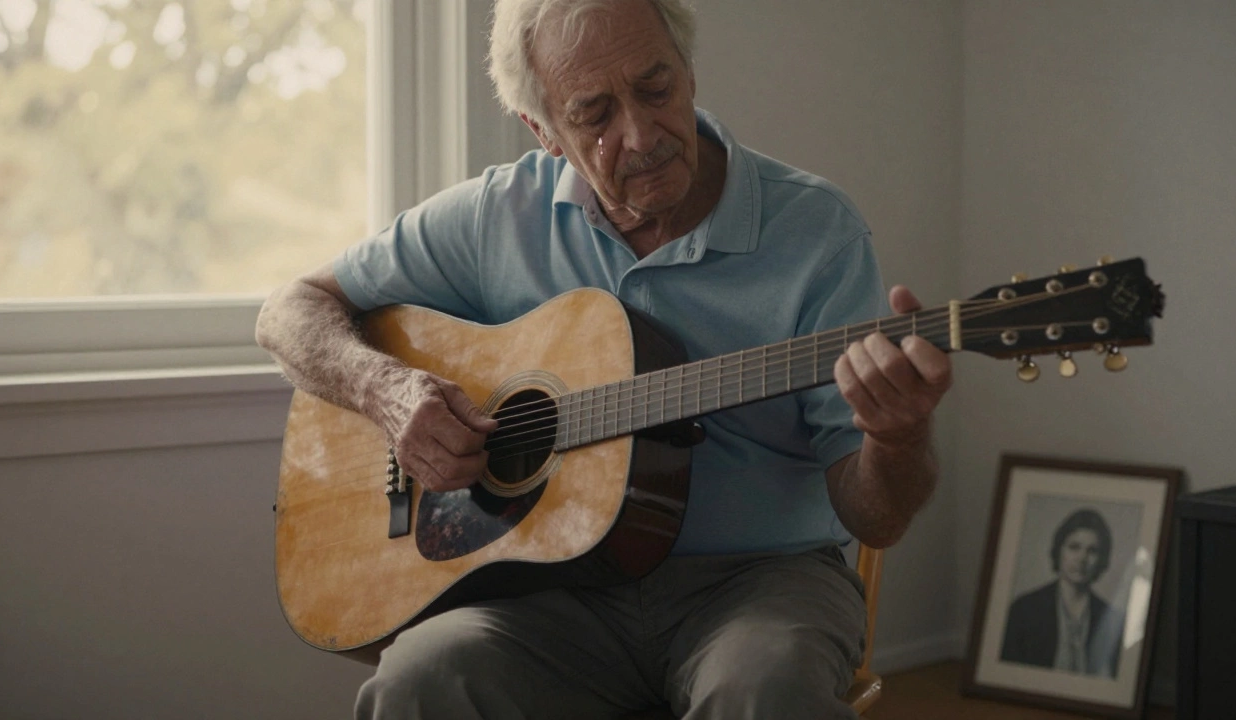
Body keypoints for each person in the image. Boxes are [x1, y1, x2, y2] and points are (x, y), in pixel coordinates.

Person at [255, 0, 952, 717]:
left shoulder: (817, 230)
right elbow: (290, 310)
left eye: (656, 88)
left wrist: (897, 437)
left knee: (762, 688)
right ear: (544, 130)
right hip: (547, 591)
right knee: (420, 679)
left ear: (687, 70)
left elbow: (879, 519)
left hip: (760, 581)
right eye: (594, 114)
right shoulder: (498, 215)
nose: (642, 134)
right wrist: (389, 392)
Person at [1000, 508, 1125, 678]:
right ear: (1059, 551)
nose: (1082, 558)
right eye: (1074, 547)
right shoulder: (1024, 610)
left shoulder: (1111, 619)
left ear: (1102, 559)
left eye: (1092, 551)